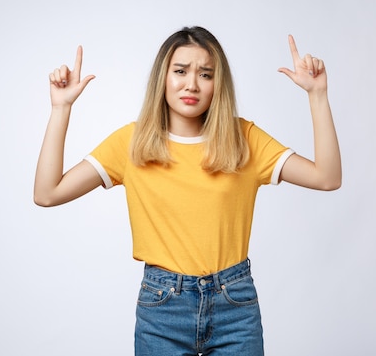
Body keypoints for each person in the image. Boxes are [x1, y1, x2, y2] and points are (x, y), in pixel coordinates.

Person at [34, 26, 341, 355]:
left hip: (234, 305)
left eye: (205, 74)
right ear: (163, 78)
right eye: (180, 71)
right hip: (163, 307)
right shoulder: (131, 143)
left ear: (217, 84)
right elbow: (47, 193)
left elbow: (326, 177)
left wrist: (318, 96)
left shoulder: (243, 139)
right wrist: (60, 109)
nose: (192, 84)